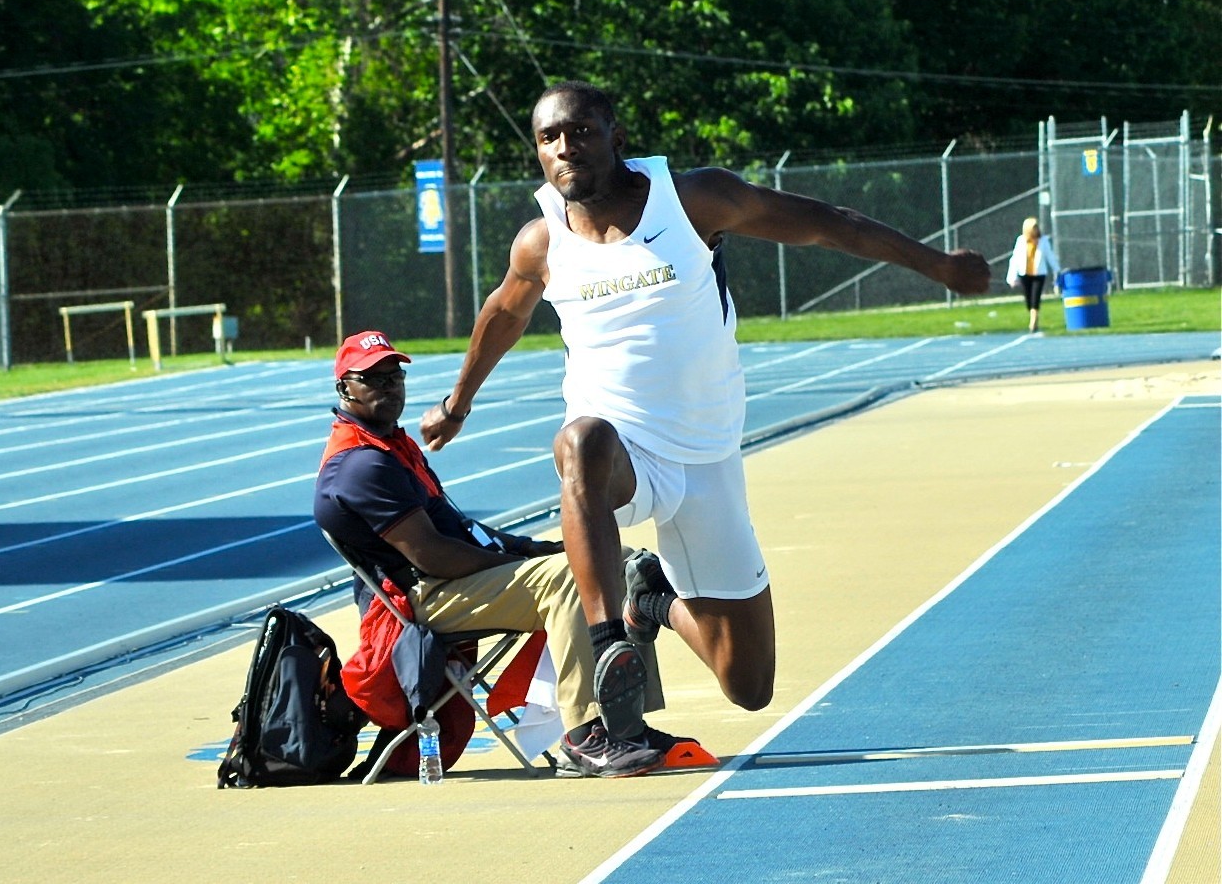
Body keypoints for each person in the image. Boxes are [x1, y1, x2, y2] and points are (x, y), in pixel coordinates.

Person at [419, 80, 992, 723]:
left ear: (616, 137)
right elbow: (503, 311)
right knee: (579, 443)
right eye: (549, 138)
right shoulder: (541, 241)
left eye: (579, 132)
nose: (565, 149)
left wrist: (938, 266)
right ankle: (611, 648)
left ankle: (649, 599)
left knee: (749, 684)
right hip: (623, 451)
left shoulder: (691, 200)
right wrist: (457, 402)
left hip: (705, 457)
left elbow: (830, 227)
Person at [313, 329, 692, 779]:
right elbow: (434, 556)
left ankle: (627, 724)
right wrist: (525, 565)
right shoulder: (361, 464)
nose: (389, 387)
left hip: (447, 582)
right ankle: (585, 735)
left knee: (615, 557)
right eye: (373, 379)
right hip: (415, 601)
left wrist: (534, 547)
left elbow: (461, 529)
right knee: (573, 577)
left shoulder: (391, 446)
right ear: (345, 389)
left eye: (395, 376)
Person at [1005, 216, 1060, 333]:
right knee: (1028, 299)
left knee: (1035, 297)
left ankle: (1033, 322)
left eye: (1036, 227)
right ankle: (1033, 314)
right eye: (1033, 228)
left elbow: (1050, 256)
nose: (1035, 230)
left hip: (1039, 274)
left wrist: (1057, 270)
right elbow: (1014, 259)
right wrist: (1011, 277)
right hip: (1025, 274)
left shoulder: (1043, 241)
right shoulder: (1021, 241)